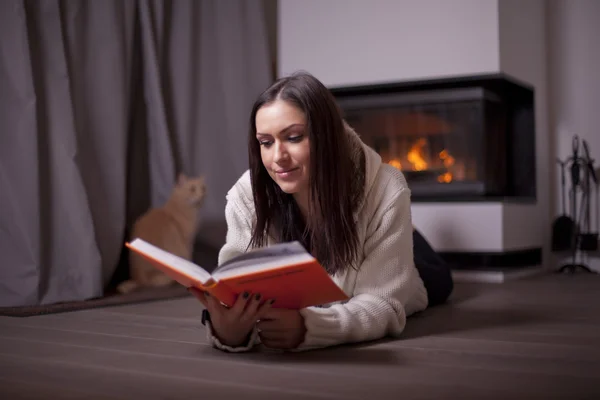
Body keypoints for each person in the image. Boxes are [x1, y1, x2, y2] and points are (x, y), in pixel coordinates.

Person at [190, 71, 453, 352]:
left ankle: (406, 232)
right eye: (266, 142)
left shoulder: (386, 187)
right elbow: (233, 290)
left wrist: (311, 327)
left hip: (406, 265)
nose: (278, 156)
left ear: (325, 136)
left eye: (293, 137)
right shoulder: (247, 196)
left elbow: (383, 304)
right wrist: (229, 330)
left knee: (439, 281)